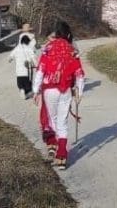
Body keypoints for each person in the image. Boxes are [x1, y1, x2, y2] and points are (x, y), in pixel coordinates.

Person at [33, 20, 85, 170]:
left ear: (55, 33)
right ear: (67, 34)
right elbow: (79, 74)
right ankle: (62, 156)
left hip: (50, 89)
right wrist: (79, 92)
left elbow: (41, 71)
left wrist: (36, 90)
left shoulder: (48, 49)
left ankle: (53, 147)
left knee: (52, 120)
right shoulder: (72, 50)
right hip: (66, 90)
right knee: (62, 122)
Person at [8, 34, 36, 98]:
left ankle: (21, 90)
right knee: (27, 83)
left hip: (19, 71)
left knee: (20, 82)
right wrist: (36, 64)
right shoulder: (29, 48)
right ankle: (28, 92)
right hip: (27, 69)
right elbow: (33, 57)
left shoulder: (17, 48)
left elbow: (11, 56)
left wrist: (9, 59)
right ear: (27, 42)